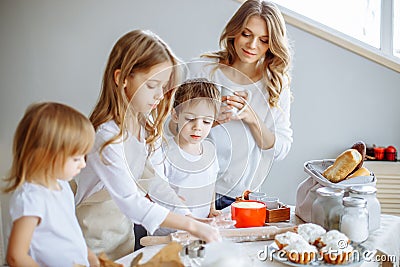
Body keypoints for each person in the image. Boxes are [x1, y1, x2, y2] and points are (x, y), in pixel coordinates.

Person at [73, 29, 220, 260]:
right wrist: (191, 227)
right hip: (91, 238)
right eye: (152, 85)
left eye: (163, 87)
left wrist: (188, 217)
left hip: (122, 236)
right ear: (122, 78)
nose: (160, 95)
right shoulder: (106, 135)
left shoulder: (143, 123)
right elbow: (131, 201)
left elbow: (152, 180)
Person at [184, 0, 293, 210]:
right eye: (246, 34)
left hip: (240, 198)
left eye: (263, 40)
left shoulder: (274, 86)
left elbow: (280, 150)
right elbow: (170, 129)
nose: (252, 45)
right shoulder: (202, 70)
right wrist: (210, 121)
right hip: (193, 188)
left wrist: (252, 118)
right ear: (234, 31)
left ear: (272, 44)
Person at [3, 102, 99, 267]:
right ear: (45, 156)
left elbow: (69, 231)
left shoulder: (62, 186)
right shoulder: (31, 199)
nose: (83, 164)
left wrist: (89, 256)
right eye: (76, 158)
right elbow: (16, 256)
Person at [152, 78, 222, 235]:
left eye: (206, 121)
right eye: (190, 119)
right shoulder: (163, 151)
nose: (198, 127)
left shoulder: (210, 150)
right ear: (176, 115)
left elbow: (211, 182)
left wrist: (212, 209)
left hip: (202, 229)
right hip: (169, 232)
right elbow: (157, 191)